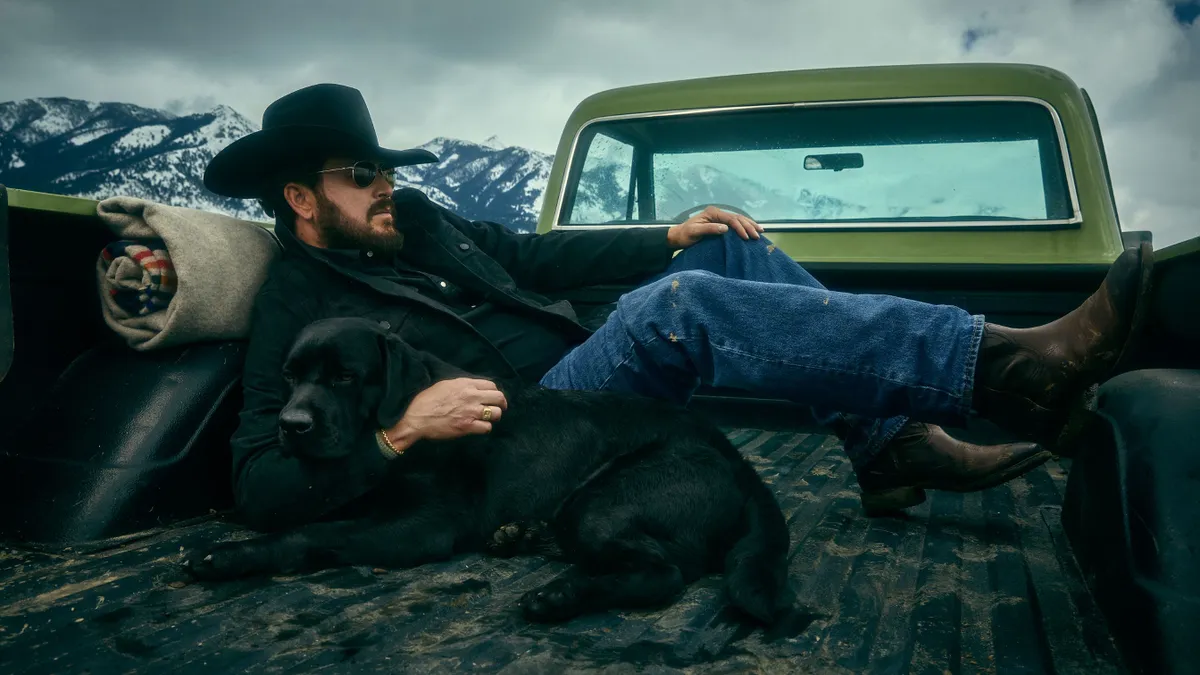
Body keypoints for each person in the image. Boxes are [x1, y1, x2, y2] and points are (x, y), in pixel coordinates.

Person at [203, 83, 1153, 532]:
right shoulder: (300, 299)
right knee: (681, 308)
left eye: (383, 170)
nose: (383, 187)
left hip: (574, 376)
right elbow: (257, 480)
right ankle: (1007, 369)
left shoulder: (411, 222)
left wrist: (667, 232)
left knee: (721, 248)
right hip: (519, 429)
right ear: (299, 196)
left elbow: (529, 251)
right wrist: (403, 430)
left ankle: (888, 444)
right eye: (362, 174)